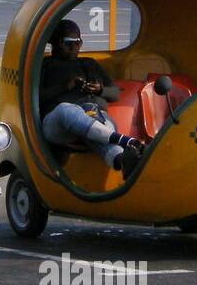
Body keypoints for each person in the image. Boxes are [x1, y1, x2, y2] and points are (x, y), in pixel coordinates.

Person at [39, 20, 143, 176]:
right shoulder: (45, 65)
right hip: (58, 124)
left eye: (78, 42)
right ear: (54, 43)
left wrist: (100, 90)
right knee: (66, 110)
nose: (74, 47)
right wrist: (64, 87)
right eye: (68, 43)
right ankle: (125, 141)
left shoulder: (89, 64)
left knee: (99, 129)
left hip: (95, 116)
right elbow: (35, 97)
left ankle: (123, 161)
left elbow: (115, 93)